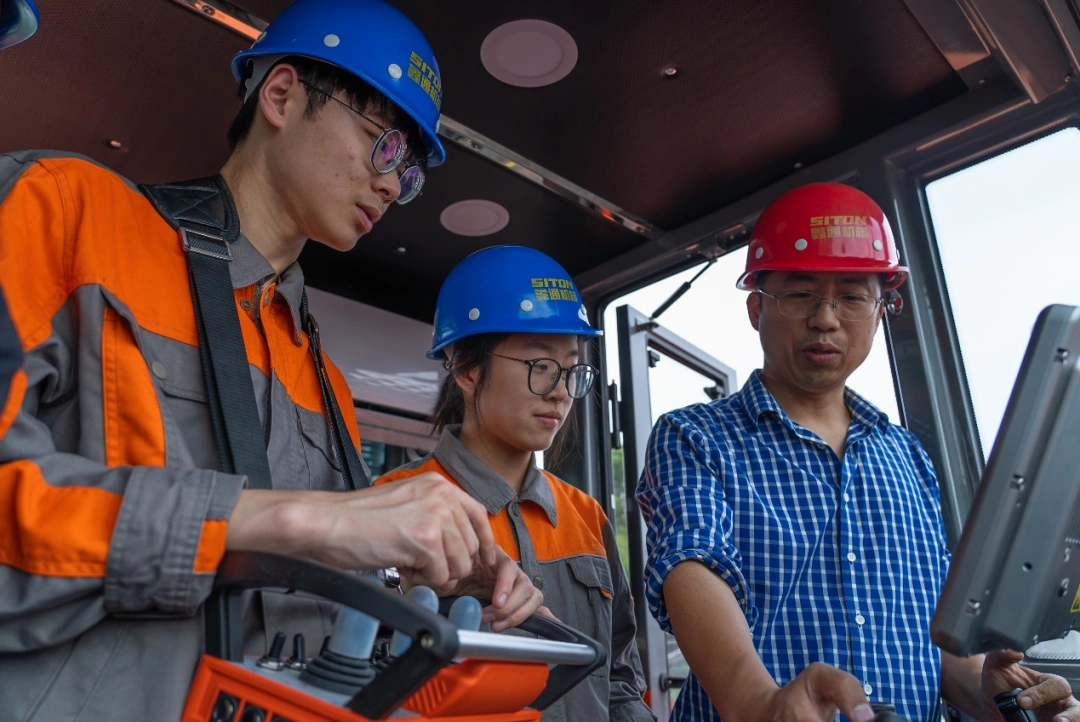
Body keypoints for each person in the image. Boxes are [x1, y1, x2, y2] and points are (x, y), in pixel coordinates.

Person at [0, 2, 541, 720]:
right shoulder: (64, 212)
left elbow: (316, 601)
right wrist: (300, 520)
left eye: (408, 172)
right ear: (282, 96)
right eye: (384, 144)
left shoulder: (327, 383)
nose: (391, 184)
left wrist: (435, 581)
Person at [635, 182, 1080, 722]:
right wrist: (755, 703)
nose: (825, 318)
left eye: (851, 297)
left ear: (881, 310)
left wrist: (990, 694)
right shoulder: (694, 437)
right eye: (799, 294)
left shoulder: (908, 458)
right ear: (756, 308)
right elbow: (691, 563)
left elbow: (930, 626)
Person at [375, 246, 655, 722]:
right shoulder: (394, 502)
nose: (561, 391)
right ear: (467, 369)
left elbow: (618, 680)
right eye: (540, 366)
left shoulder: (586, 515)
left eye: (571, 369)